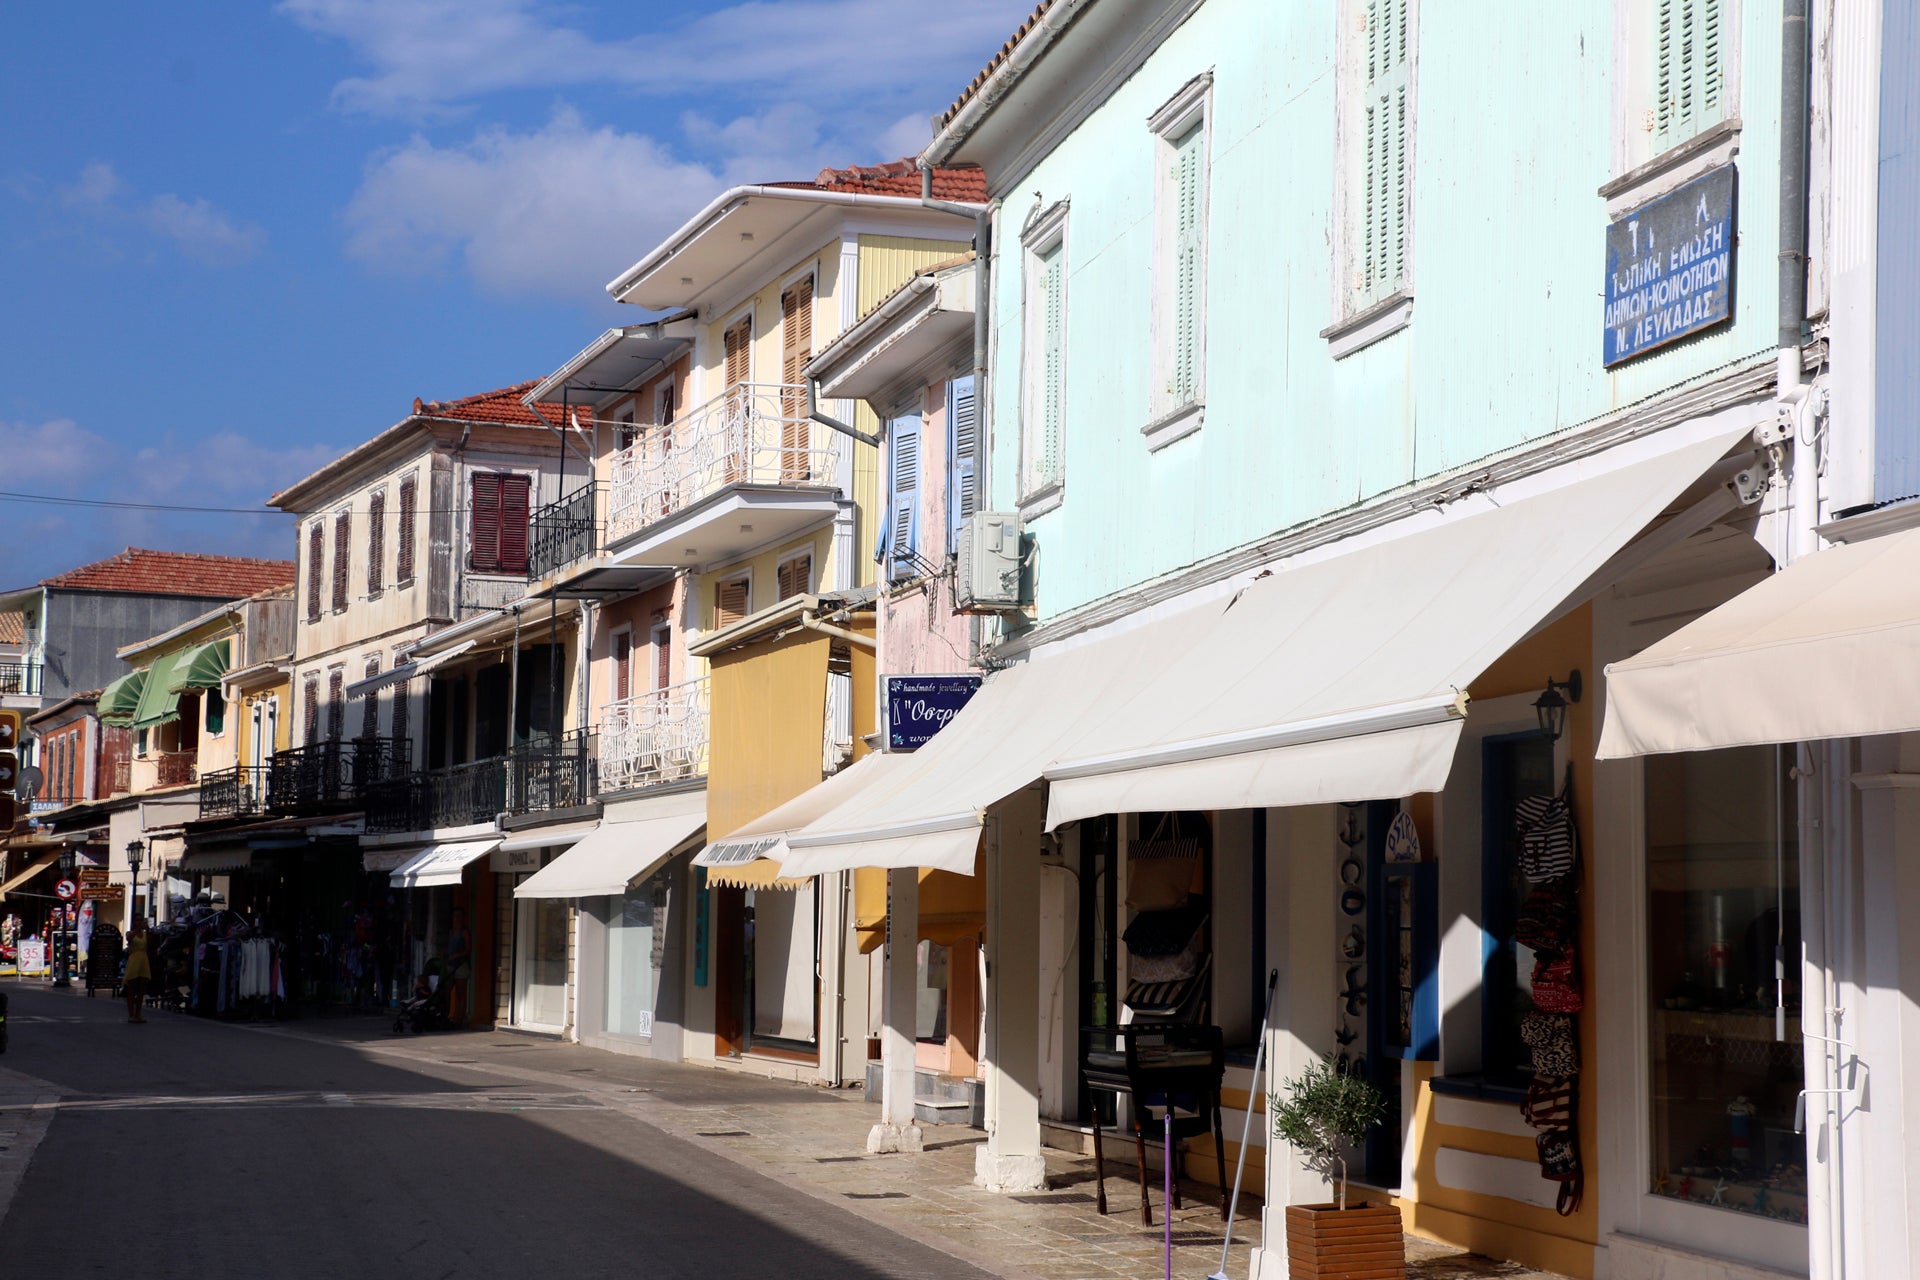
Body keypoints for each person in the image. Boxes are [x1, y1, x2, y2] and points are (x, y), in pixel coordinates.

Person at [445, 908, 472, 1026]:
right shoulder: (451, 932)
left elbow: (468, 949)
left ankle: (460, 1018)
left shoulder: (464, 932)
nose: (456, 919)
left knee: (461, 992)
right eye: (455, 916)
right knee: (447, 990)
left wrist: (457, 955)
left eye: (459, 916)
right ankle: (449, 1015)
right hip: (451, 965)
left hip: (461, 965)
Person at [122, 918, 152, 1023]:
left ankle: (138, 1014)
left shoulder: (145, 934)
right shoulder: (130, 933)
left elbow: (150, 943)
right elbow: (129, 939)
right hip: (134, 960)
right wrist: (138, 929)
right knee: (132, 989)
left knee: (141, 990)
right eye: (137, 920)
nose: (139, 923)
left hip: (143, 961)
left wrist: (147, 929)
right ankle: (131, 1014)